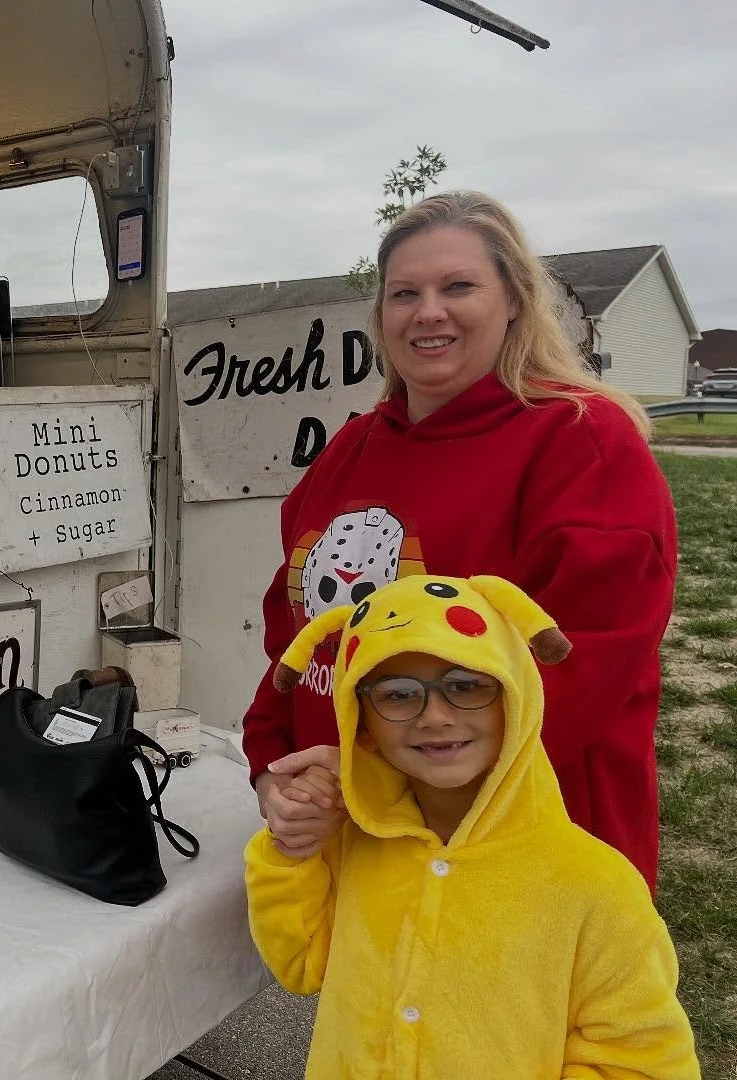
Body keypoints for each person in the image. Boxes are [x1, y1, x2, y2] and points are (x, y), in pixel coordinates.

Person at [241, 190, 676, 891]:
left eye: (459, 286)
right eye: (403, 292)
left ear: (514, 301)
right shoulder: (352, 449)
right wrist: (276, 770)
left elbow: (580, 669)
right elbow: (296, 638)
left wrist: (370, 778)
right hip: (370, 847)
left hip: (524, 857)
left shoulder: (579, 440)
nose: (428, 311)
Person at [245, 573, 698, 1078]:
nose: (435, 716)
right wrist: (296, 847)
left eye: (466, 686)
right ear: (361, 721)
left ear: (516, 697)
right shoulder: (353, 843)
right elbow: (301, 965)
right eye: (397, 693)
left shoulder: (597, 887)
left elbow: (643, 1064)